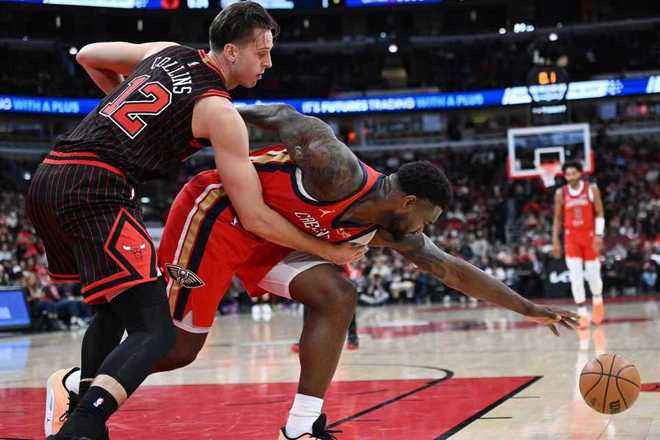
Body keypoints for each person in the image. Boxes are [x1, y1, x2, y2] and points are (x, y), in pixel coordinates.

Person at [48, 105, 578, 439]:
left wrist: (528, 308)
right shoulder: (334, 166)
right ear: (407, 201)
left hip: (272, 239)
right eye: (427, 218)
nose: (425, 230)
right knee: (177, 348)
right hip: (218, 214)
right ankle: (77, 384)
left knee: (337, 295)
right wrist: (195, 119)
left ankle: (301, 427)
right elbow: (280, 116)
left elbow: (453, 271)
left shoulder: (393, 229)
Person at [34, 4, 364, 439]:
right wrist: (327, 250)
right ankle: (80, 428)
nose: (268, 63)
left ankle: (79, 400)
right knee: (156, 331)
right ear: (231, 51)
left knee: (114, 312)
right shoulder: (219, 112)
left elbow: (88, 55)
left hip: (49, 177)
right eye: (261, 53)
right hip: (96, 187)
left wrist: (125, 115)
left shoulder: (165, 50)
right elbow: (254, 216)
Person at [552, 161, 606, 328]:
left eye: (573, 173)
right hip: (571, 237)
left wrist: (599, 235)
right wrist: (555, 240)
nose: (571, 177)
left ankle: (597, 300)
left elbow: (600, 213)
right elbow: (557, 218)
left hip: (589, 236)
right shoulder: (560, 193)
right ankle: (582, 312)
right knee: (575, 276)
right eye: (567, 174)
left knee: (593, 274)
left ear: (580, 173)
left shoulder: (591, 189)